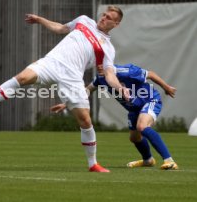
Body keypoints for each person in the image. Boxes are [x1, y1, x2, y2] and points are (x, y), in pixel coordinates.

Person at [0, 5, 130, 173]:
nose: (104, 18)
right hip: (51, 63)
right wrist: (40, 20)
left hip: (72, 78)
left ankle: (93, 164)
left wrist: (121, 88)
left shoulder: (108, 48)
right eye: (104, 14)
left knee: (85, 121)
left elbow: (109, 75)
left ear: (116, 24)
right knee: (22, 78)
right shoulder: (84, 20)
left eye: (109, 18)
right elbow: (61, 28)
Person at [51, 63, 179, 170]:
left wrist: (166, 87)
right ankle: (148, 160)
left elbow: (150, 74)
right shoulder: (100, 78)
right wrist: (66, 104)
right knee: (134, 138)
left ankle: (169, 160)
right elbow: (87, 91)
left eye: (101, 64)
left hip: (150, 100)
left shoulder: (126, 71)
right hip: (134, 108)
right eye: (97, 64)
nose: (99, 67)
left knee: (142, 126)